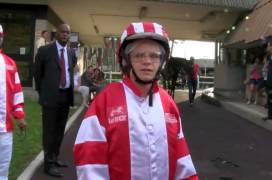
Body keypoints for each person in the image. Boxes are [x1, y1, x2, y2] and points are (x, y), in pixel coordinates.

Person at [73, 22, 198, 180]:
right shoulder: (105, 100)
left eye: (154, 56)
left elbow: (183, 162)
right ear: (126, 60)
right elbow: (89, 163)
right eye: (139, 55)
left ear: (162, 61)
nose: (147, 61)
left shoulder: (168, 103)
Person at [34, 24, 76, 177]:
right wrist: (42, 92)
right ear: (56, 33)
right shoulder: (45, 51)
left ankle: (54, 158)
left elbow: (70, 70)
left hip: (65, 96)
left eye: (68, 33)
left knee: (59, 131)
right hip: (50, 97)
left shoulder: (71, 53)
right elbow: (37, 74)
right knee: (49, 132)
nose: (65, 35)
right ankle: (48, 165)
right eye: (63, 32)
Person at [0, 24, 27, 180]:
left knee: (3, 169)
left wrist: (20, 116)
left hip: (5, 129)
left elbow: (16, 93)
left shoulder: (10, 63)